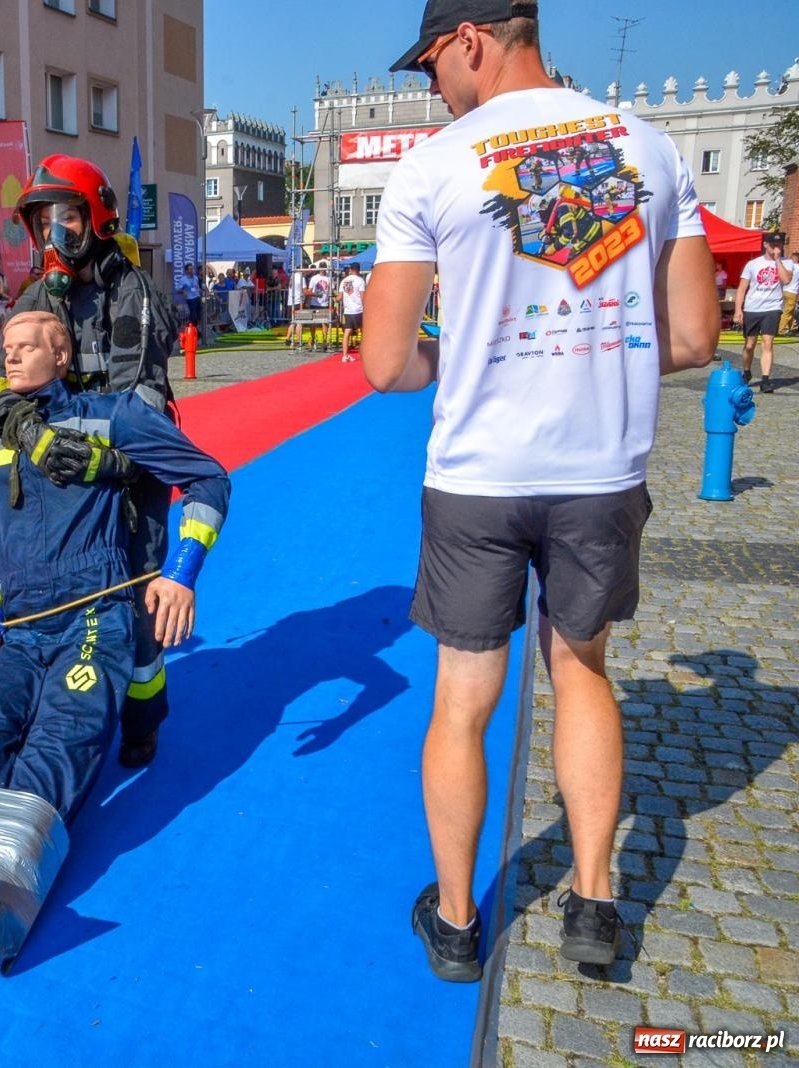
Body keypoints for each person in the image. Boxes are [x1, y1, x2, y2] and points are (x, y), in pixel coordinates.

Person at [365, 0, 719, 982]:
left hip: (477, 477)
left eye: (430, 62)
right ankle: (595, 905)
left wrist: (461, 347)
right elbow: (694, 338)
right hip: (598, 471)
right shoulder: (647, 148)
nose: (430, 84)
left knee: (464, 699)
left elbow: (385, 363)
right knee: (582, 676)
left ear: (469, 39)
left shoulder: (434, 163)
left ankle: (454, 920)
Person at [0, 309, 230, 825]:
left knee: (60, 742)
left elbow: (207, 478)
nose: (9, 355)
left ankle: (9, 867)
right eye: (6, 347)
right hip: (19, 628)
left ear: (60, 357)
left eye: (26, 347)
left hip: (95, 615)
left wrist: (181, 571)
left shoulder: (111, 416)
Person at [0, 153, 184, 769]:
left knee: (139, 593)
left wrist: (92, 459)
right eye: (46, 219)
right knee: (56, 596)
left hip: (128, 472)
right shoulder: (37, 293)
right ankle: (54, 710)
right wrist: (24, 426)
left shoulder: (133, 292)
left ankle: (142, 716)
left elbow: (139, 403)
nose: (56, 231)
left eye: (69, 216)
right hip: (54, 474)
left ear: (97, 216)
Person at [733, 232, 790, 393]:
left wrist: (778, 260)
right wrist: (738, 310)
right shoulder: (752, 264)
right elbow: (742, 288)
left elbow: (786, 280)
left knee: (767, 342)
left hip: (772, 308)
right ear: (765, 245)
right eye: (773, 245)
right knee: (750, 345)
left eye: (779, 245)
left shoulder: (786, 263)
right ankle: (747, 372)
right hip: (752, 308)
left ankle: (765, 380)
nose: (776, 248)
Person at [338, 263, 366, 362]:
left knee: (347, 332)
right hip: (358, 309)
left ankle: (345, 355)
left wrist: (334, 298)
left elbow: (340, 297)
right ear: (358, 270)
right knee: (363, 332)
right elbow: (363, 296)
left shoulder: (344, 281)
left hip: (348, 309)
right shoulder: (360, 281)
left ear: (350, 269)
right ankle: (364, 354)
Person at [779, 243, 799, 337]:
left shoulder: (788, 267)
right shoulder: (798, 268)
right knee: (788, 311)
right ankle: (781, 330)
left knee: (789, 310)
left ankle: (793, 328)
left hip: (785, 290)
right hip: (793, 292)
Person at [176, 262, 201, 328]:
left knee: (198, 315)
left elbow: (197, 287)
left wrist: (200, 291)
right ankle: (193, 329)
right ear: (186, 270)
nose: (192, 270)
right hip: (191, 299)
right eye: (190, 269)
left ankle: (194, 329)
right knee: (193, 316)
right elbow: (178, 289)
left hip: (197, 297)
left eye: (193, 268)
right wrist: (183, 291)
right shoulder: (183, 279)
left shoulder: (196, 278)